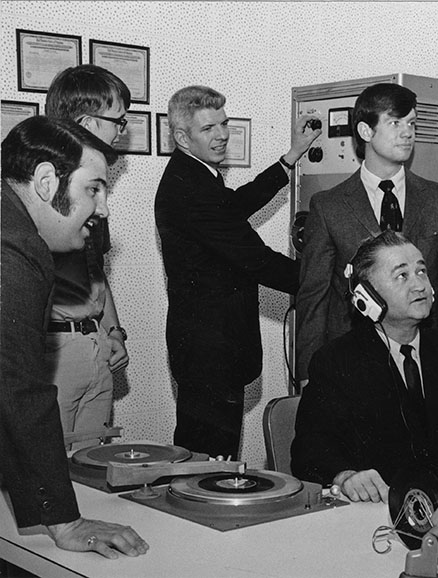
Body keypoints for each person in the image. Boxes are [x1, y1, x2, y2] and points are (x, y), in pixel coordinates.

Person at [291, 231, 438, 502]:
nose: (419, 285)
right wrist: (346, 476)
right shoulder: (336, 362)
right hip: (382, 512)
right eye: (402, 275)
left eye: (421, 271)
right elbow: (310, 451)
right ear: (367, 297)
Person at [1, 116, 149, 558]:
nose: (102, 209)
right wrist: (64, 521)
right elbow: (16, 389)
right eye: (93, 189)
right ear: (47, 181)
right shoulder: (13, 250)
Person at [155, 85, 321, 459]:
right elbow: (255, 258)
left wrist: (291, 156)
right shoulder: (189, 189)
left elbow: (235, 204)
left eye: (224, 124)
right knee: (210, 459)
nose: (222, 135)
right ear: (182, 137)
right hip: (210, 348)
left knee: (210, 453)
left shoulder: (194, 174)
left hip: (209, 345)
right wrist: (324, 278)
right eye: (208, 129)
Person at [294, 83, 438, 382]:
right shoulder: (329, 206)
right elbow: (313, 299)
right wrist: (308, 375)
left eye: (412, 123)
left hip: (425, 361)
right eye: (395, 123)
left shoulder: (437, 198)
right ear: (366, 131)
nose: (407, 133)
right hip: (353, 363)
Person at [43, 65, 133, 449]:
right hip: (53, 354)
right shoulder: (42, 191)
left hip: (96, 345)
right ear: (85, 122)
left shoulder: (96, 192)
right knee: (48, 472)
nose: (121, 131)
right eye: (118, 121)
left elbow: (96, 272)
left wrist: (113, 331)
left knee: (94, 468)